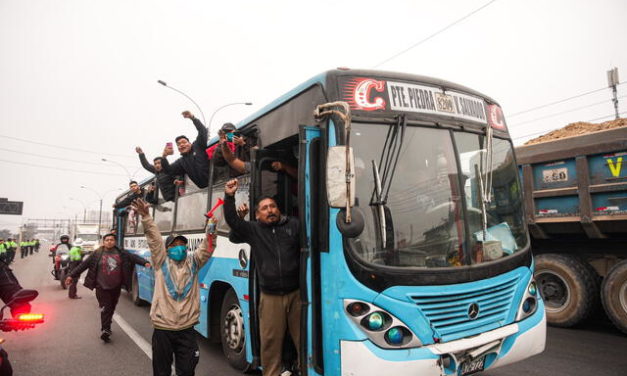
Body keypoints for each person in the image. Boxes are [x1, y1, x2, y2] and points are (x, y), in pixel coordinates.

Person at [223, 179, 301, 376]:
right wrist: (229, 197)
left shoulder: (294, 225)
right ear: (257, 215)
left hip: (296, 295)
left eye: (273, 206)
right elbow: (233, 221)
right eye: (265, 208)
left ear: (279, 210)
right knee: (270, 342)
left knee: (303, 339)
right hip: (271, 298)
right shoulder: (254, 230)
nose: (270, 210)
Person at [131, 198, 215, 376]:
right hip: (163, 330)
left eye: (182, 245)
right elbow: (154, 240)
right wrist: (146, 217)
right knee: (161, 373)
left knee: (187, 372)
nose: (179, 248)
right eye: (174, 245)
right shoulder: (160, 262)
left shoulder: (194, 262)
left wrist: (212, 227)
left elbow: (207, 246)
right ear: (167, 249)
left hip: (187, 331)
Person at [65, 233, 149, 342]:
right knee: (106, 307)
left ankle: (107, 325)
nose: (109, 241)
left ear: (114, 242)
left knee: (111, 307)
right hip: (101, 287)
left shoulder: (121, 253)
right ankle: (105, 329)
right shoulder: (97, 254)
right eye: (107, 240)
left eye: (111, 240)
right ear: (103, 242)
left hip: (116, 287)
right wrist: (71, 275)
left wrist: (145, 262)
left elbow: (134, 258)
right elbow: (83, 265)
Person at [161, 111, 210, 188]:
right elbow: (168, 170)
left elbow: (202, 131)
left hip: (217, 183)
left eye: (184, 142)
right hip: (204, 189)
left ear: (190, 143)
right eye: (178, 144)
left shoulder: (198, 145)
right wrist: (164, 156)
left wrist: (192, 118)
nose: (181, 145)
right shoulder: (181, 162)